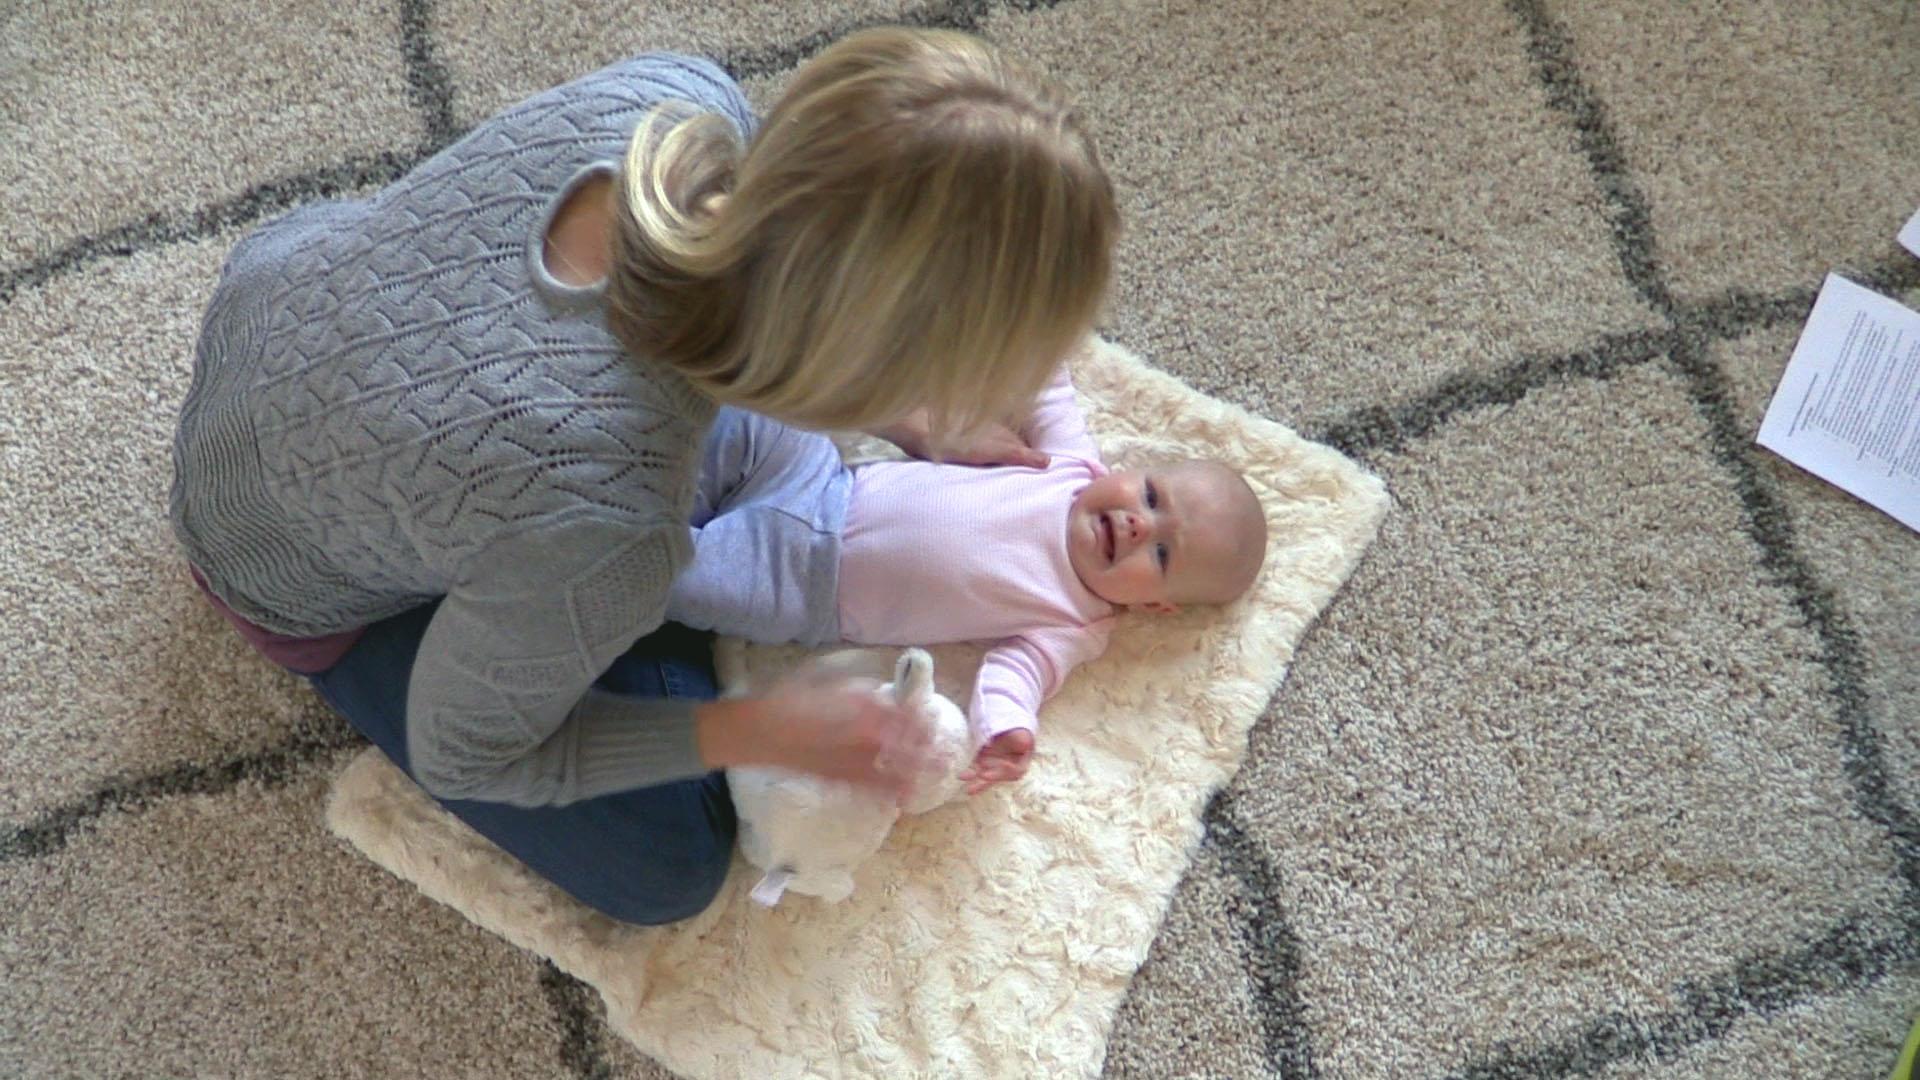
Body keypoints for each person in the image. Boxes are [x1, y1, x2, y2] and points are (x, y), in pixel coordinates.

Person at [168, 28, 1119, 925]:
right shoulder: (608, 522)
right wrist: (770, 731)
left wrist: (903, 415)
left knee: (614, 519)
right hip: (268, 560)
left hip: (279, 297)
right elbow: (466, 751)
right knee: (673, 864)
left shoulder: (678, 97)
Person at [668, 365, 1268, 795]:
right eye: (1152, 495)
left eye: (1162, 553)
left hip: (802, 582)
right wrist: (1040, 331)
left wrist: (1008, 730)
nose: (1140, 524)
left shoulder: (1076, 623)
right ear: (1134, 471)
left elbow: (1017, 676)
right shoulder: (1073, 465)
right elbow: (1048, 390)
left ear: (1157, 606)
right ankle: (634, 440)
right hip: (823, 476)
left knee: (670, 578)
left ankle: (611, 537)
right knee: (747, 413)